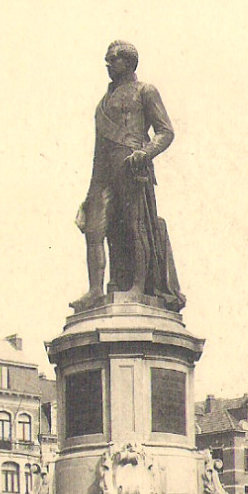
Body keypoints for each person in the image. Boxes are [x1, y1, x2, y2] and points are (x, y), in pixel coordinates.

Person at [72, 41, 185, 312]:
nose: (107, 63)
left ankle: (138, 285)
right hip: (104, 174)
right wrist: (88, 197)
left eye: (113, 59)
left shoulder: (145, 91)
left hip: (132, 169)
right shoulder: (103, 103)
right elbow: (98, 152)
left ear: (128, 63)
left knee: (136, 226)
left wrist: (145, 153)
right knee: (94, 229)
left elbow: (165, 131)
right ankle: (95, 290)